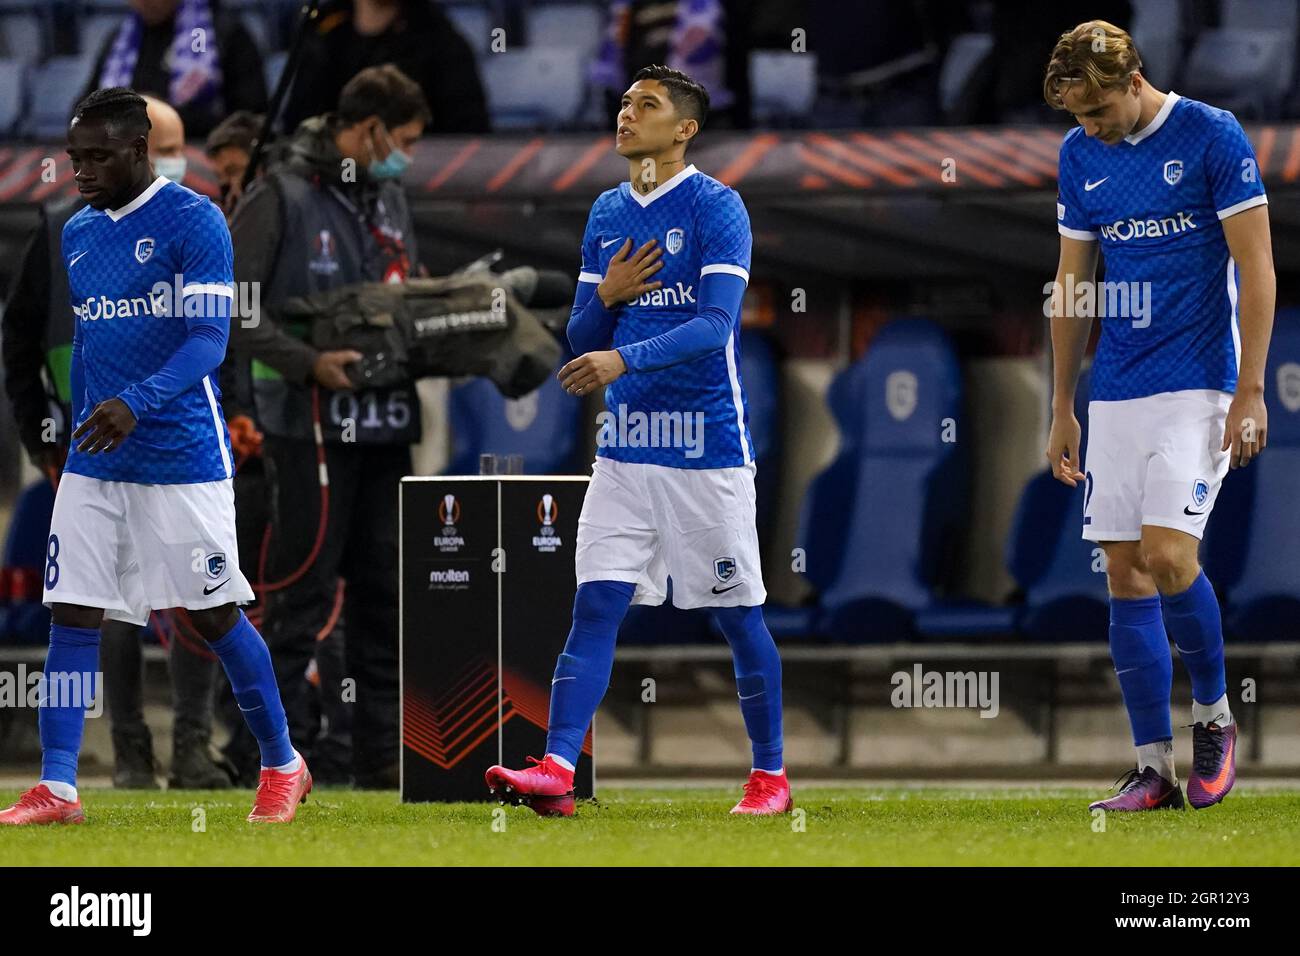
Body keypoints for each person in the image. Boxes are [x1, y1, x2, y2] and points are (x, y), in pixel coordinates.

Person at [484, 65, 790, 817]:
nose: (626, 114)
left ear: (684, 129)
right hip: (624, 451)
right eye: (624, 102)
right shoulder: (607, 211)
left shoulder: (719, 208)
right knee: (594, 608)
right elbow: (582, 335)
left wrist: (626, 355)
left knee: (738, 615)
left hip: (705, 450)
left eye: (646, 106)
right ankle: (556, 768)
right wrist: (609, 298)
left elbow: (717, 325)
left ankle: (771, 778)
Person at [0, 88, 310, 825]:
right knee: (72, 612)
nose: (79, 171)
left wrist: (135, 402)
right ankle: (59, 786)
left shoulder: (195, 220)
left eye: (96, 157)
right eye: (74, 158)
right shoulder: (76, 232)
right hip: (95, 457)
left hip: (179, 456)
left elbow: (208, 339)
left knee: (214, 616)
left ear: (140, 152)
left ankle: (282, 762)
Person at [1043, 21, 1274, 812]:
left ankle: (1213, 719)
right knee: (1123, 569)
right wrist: (1061, 406)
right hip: (1116, 387)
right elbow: (1073, 285)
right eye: (1077, 117)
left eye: (1097, 111)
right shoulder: (1080, 155)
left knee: (1171, 554)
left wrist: (1251, 390)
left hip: (1199, 382)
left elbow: (1257, 266)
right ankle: (1152, 769)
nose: (1089, 128)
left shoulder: (1213, 135)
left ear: (1132, 81)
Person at [229, 64, 429, 788]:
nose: (407, 153)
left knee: (384, 597)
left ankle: (380, 765)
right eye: (401, 139)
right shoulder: (278, 194)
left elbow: (413, 295)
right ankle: (274, 761)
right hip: (308, 425)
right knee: (302, 595)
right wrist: (309, 362)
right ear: (368, 128)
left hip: (386, 423)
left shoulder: (392, 195)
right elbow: (234, 309)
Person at [280, 0, 488, 135]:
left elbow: (467, 138)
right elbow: (299, 125)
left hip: (418, 188)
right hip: (328, 182)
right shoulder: (322, 31)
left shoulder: (442, 41)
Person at [83, 0, 268, 140]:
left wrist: (163, 118)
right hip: (126, 156)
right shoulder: (119, 41)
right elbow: (81, 112)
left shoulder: (223, 33)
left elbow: (250, 117)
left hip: (199, 149)